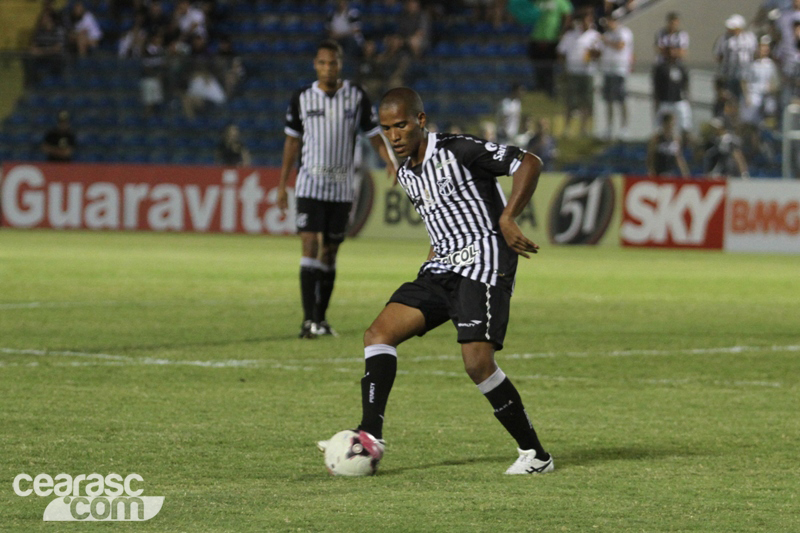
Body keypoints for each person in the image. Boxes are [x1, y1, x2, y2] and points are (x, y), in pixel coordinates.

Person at [317, 87, 553, 475]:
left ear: (421, 122)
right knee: (378, 335)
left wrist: (508, 217)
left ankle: (536, 455)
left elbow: (530, 161)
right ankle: (370, 434)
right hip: (442, 265)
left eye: (402, 125)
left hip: (484, 260)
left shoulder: (459, 150)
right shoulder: (407, 173)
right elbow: (439, 221)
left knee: (477, 363)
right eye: (387, 128)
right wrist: (431, 265)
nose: (394, 135)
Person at [277, 40, 397, 339]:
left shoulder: (356, 96)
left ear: (340, 65)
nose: (328, 68)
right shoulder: (302, 98)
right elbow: (292, 142)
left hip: (342, 188)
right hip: (309, 184)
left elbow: (374, 135)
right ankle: (307, 321)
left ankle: (321, 318)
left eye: (333, 63)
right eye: (323, 63)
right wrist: (282, 184)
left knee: (330, 252)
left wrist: (390, 162)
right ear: (315, 65)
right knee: (309, 246)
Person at [556, 8, 602, 137]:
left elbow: (599, 54)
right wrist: (564, 67)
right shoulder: (570, 35)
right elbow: (561, 52)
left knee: (586, 102)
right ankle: (567, 128)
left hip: (588, 73)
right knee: (570, 102)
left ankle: (584, 129)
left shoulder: (595, 36)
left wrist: (594, 53)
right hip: (573, 72)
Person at [525, 0, 573, 98]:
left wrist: (562, 32)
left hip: (552, 40)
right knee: (537, 67)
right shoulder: (538, 2)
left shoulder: (561, 2)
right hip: (536, 39)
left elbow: (567, 15)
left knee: (550, 67)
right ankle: (539, 89)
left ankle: (550, 91)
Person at [599, 12, 633, 141]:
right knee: (609, 101)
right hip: (608, 70)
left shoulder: (623, 32)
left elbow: (620, 46)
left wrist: (605, 41)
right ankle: (609, 127)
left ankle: (624, 127)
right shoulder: (607, 34)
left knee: (621, 100)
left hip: (619, 70)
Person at [652, 46, 692, 145]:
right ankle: (662, 144)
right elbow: (656, 86)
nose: (671, 54)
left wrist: (688, 97)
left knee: (685, 124)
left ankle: (685, 143)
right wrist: (656, 101)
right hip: (665, 101)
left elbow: (686, 84)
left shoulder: (681, 67)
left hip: (679, 100)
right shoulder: (660, 68)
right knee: (661, 125)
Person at [713, 14, 758, 101]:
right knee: (731, 98)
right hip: (730, 74)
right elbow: (718, 56)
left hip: (747, 74)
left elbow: (755, 53)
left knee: (746, 98)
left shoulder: (749, 38)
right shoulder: (724, 39)